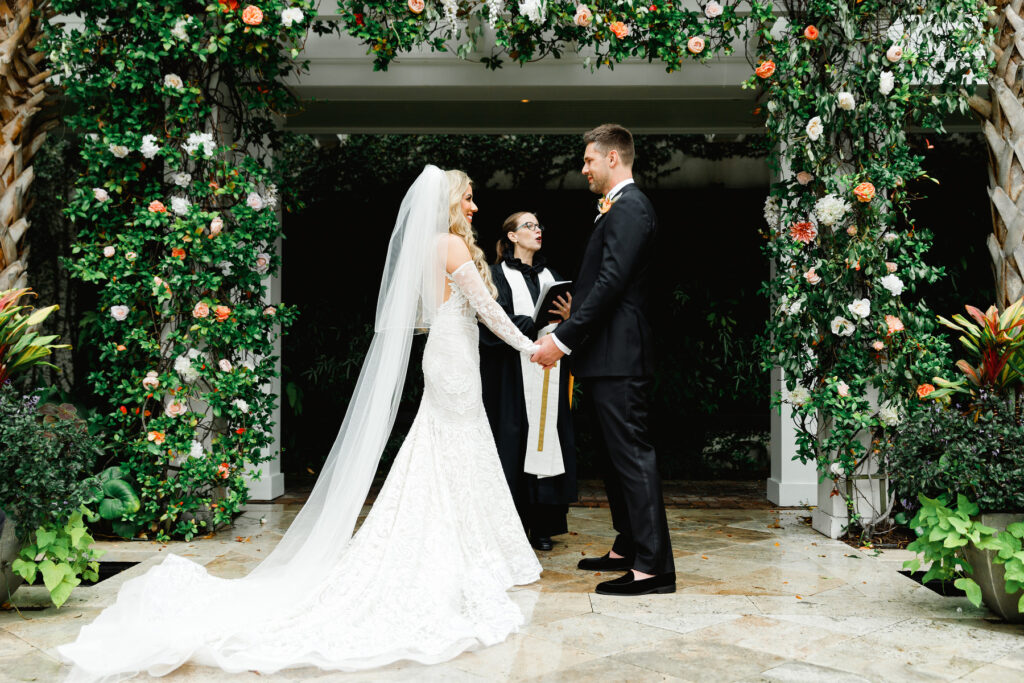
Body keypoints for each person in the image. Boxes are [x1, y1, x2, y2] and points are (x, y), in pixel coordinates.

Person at [59, 167, 546, 681]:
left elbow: (431, 314)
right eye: (467, 198)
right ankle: (465, 548)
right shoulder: (449, 244)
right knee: (453, 442)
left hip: (448, 354)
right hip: (455, 360)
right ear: (449, 201)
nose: (473, 207)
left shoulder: (430, 246)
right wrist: (531, 346)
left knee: (447, 444)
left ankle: (471, 543)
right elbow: (489, 311)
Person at [531, 124, 676, 597]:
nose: (584, 168)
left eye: (589, 160)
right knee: (615, 462)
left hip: (619, 357)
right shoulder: (615, 209)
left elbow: (614, 282)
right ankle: (628, 545)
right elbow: (612, 282)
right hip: (604, 355)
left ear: (613, 158)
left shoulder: (631, 206)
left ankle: (654, 568)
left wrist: (565, 337)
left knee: (633, 458)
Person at [480, 211, 577, 552]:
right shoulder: (494, 275)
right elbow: (493, 320)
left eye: (539, 225)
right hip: (511, 374)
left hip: (548, 371)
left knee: (547, 439)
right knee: (514, 441)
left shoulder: (552, 275)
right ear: (511, 236)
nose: (537, 231)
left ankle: (544, 526)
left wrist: (568, 318)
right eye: (529, 226)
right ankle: (513, 525)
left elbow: (570, 317)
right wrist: (530, 323)